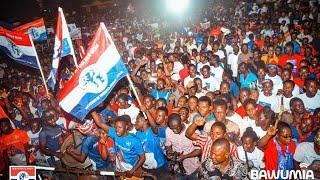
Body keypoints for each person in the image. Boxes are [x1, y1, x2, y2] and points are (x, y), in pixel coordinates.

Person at [92, 113, 145, 177]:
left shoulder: (134, 140)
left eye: (120, 127)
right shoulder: (114, 133)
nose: (117, 130)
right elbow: (99, 123)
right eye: (116, 127)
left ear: (126, 127)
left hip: (133, 169)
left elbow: (142, 157)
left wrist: (132, 171)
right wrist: (92, 110)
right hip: (121, 168)